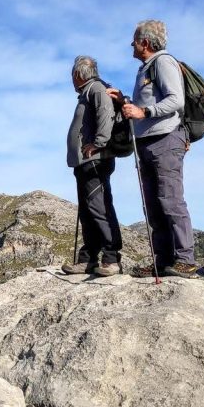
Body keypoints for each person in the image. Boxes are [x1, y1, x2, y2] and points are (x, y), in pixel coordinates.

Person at [107, 20, 198, 279]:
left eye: (134, 40)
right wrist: (125, 100)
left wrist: (144, 111)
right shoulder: (146, 68)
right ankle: (163, 260)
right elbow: (146, 102)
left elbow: (175, 100)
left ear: (145, 42)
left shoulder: (163, 62)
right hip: (149, 142)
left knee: (170, 200)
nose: (131, 45)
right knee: (153, 204)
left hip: (166, 140)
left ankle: (185, 261)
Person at [63, 55, 123, 276]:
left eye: (72, 74)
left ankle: (111, 258)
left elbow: (105, 114)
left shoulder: (96, 89)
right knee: (88, 210)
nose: (71, 79)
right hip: (84, 162)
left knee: (99, 208)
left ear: (78, 74)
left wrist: (98, 144)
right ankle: (88, 259)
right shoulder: (88, 92)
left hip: (95, 161)